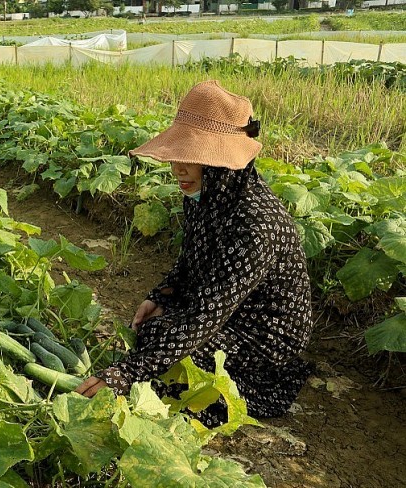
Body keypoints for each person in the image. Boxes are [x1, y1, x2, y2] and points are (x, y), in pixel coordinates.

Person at [75, 80, 313, 426]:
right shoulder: (208, 195)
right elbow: (190, 259)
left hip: (264, 334)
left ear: (220, 164)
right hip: (226, 307)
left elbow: (206, 314)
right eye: (179, 155)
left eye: (192, 157)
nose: (178, 168)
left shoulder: (256, 226)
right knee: (156, 326)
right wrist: (161, 294)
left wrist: (123, 374)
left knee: (167, 344)